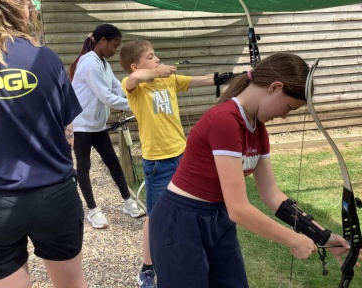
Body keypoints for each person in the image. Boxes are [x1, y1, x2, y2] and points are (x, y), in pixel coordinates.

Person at [148, 52, 354, 288]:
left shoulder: (258, 129)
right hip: (181, 221)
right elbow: (239, 209)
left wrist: (323, 236)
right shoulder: (225, 120)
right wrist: (292, 239)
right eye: (288, 107)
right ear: (275, 87)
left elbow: (272, 195)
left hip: (218, 218)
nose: (284, 115)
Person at [0, 0, 88, 288]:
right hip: (55, 195)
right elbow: (68, 134)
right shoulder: (44, 57)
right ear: (14, 0)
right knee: (72, 284)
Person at [119, 40, 232, 288]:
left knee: (190, 208)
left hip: (184, 156)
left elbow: (201, 80)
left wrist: (230, 77)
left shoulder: (168, 80)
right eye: (150, 56)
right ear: (135, 65)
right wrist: (156, 72)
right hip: (158, 163)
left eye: (155, 55)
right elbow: (134, 79)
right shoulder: (134, 87)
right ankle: (147, 267)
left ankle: (186, 252)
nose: (157, 59)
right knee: (155, 216)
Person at [68, 24, 144, 229]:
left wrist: (137, 94)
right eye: (114, 46)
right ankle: (93, 210)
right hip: (82, 124)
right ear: (103, 41)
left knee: (112, 161)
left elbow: (117, 88)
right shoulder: (89, 63)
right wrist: (139, 106)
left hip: (97, 124)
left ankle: (127, 201)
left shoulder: (102, 63)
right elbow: (107, 97)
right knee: (84, 166)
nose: (115, 51)